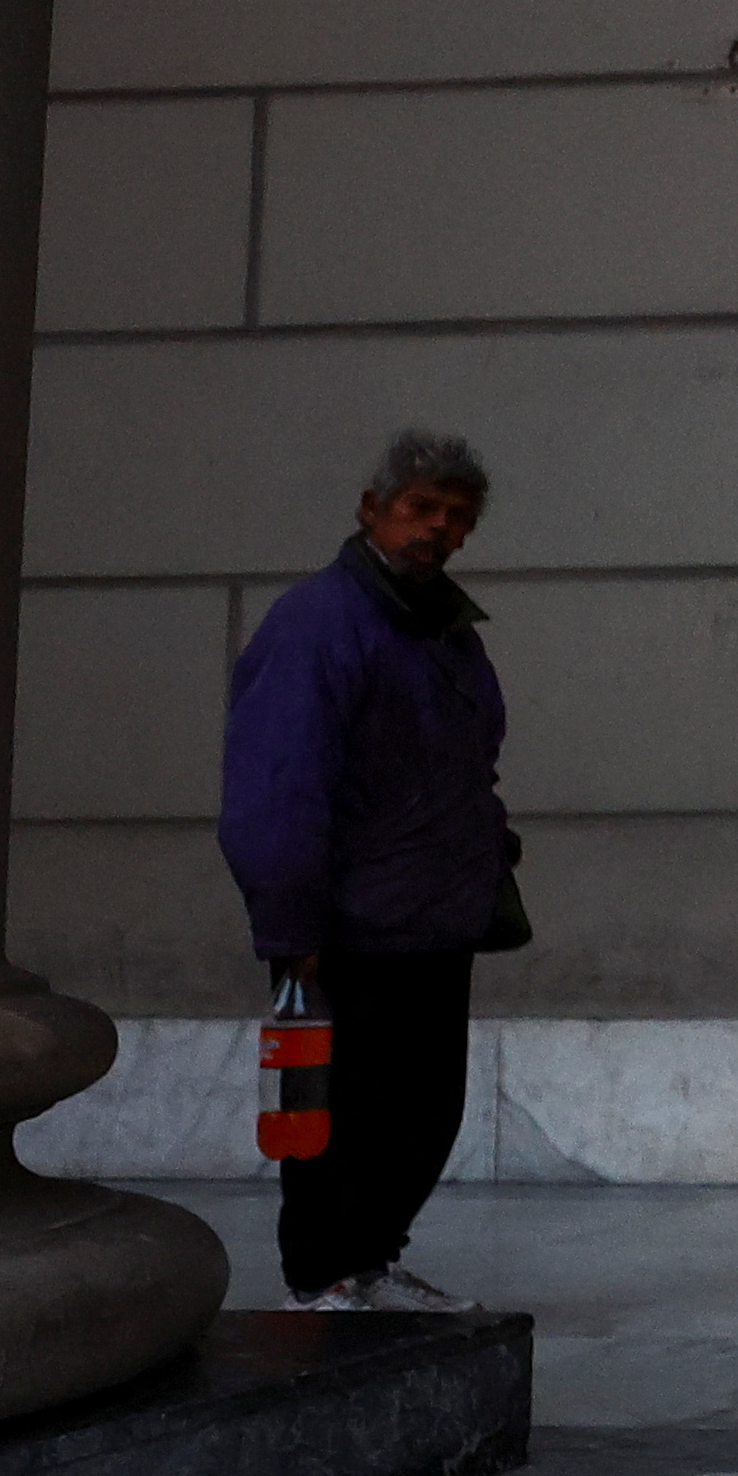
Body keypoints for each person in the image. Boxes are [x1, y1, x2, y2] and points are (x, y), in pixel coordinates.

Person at [217, 430, 515, 1319]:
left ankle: (372, 1260)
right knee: (339, 1119)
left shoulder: (446, 633)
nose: (438, 529)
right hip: (349, 928)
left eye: (456, 517)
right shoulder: (319, 623)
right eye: (421, 508)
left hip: (435, 917)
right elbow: (278, 782)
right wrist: (291, 926)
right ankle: (323, 1274)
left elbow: (467, 760)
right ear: (372, 509)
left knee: (422, 1114)